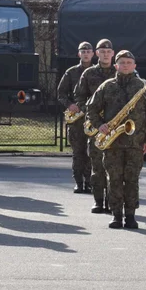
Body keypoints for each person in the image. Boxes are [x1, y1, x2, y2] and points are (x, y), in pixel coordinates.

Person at [86, 50, 146, 229]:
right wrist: (100, 125)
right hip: (113, 142)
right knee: (114, 179)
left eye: (129, 63)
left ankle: (131, 215)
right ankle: (116, 215)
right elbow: (91, 110)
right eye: (122, 63)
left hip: (136, 143)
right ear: (116, 66)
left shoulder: (143, 87)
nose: (125, 66)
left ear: (134, 66)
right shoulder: (106, 86)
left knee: (132, 180)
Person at [75, 39, 116, 214]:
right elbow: (79, 97)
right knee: (97, 166)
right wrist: (92, 114)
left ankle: (112, 202)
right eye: (102, 51)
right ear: (96, 53)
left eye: (108, 51)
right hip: (96, 126)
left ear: (112, 54)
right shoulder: (88, 73)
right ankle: (98, 201)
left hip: (116, 126)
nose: (105, 54)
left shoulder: (120, 72)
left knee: (114, 167)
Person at [57, 41, 95, 194]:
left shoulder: (96, 72)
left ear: (93, 54)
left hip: (93, 117)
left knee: (91, 152)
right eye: (83, 51)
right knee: (78, 152)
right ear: (79, 54)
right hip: (76, 119)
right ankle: (79, 182)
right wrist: (69, 105)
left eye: (88, 51)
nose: (86, 54)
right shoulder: (71, 72)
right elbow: (61, 93)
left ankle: (90, 182)